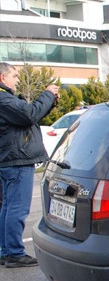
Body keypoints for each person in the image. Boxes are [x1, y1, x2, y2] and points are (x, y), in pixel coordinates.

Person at [0, 62, 59, 268]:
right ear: (2, 78)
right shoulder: (3, 99)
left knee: (8, 207)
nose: (17, 80)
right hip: (16, 160)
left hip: (12, 159)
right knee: (16, 208)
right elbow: (29, 114)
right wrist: (47, 94)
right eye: (14, 76)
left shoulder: (6, 99)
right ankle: (14, 253)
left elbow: (29, 117)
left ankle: (7, 251)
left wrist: (49, 102)